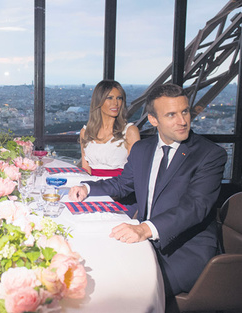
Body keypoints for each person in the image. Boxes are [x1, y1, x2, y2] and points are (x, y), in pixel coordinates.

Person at [69, 83, 227, 297]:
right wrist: (87, 187)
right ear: (153, 120)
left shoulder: (209, 155)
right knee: (95, 271)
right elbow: (122, 184)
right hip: (146, 242)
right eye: (171, 115)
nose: (182, 121)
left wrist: (144, 229)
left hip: (185, 250)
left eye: (185, 112)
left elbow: (195, 207)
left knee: (125, 292)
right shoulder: (142, 150)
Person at [80, 80, 140, 177]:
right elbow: (85, 169)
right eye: (110, 98)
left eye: (119, 98)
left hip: (119, 189)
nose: (116, 103)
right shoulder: (86, 132)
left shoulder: (130, 131)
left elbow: (135, 171)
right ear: (99, 101)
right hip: (91, 188)